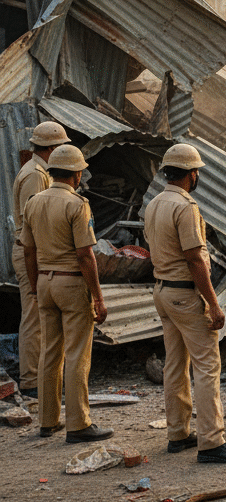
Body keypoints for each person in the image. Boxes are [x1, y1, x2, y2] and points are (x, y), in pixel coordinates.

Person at [145, 143, 226, 464]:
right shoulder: (185, 206)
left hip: (162, 292)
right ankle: (211, 442)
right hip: (185, 294)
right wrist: (213, 304)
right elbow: (194, 259)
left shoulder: (154, 204)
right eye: (197, 172)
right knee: (206, 365)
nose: (197, 177)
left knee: (175, 364)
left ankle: (178, 433)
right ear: (191, 175)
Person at [20, 144, 111, 443]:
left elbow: (28, 252)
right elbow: (86, 255)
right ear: (77, 173)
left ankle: (48, 421)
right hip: (71, 283)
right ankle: (79, 424)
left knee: (50, 352)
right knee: (76, 354)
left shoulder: (33, 202)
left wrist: (34, 287)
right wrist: (98, 297)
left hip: (44, 283)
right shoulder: (77, 204)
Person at [11, 121, 71, 399]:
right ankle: (31, 380)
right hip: (30, 251)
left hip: (34, 250)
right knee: (34, 317)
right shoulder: (36, 175)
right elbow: (33, 223)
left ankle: (39, 377)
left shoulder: (38, 170)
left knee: (39, 316)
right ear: (50, 149)